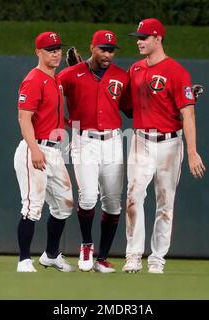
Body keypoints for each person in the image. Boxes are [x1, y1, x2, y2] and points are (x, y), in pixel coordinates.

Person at [121, 18, 206, 274]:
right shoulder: (134, 69)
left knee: (165, 202)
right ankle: (134, 255)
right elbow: (124, 105)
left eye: (144, 37)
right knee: (134, 197)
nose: (139, 42)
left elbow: (188, 115)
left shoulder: (177, 72)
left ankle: (157, 258)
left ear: (158, 38)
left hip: (170, 142)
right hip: (141, 140)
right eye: (138, 37)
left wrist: (191, 152)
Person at [58, 30, 129, 273]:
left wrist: (179, 105)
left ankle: (103, 258)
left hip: (113, 141)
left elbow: (134, 108)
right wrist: (68, 125)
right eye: (103, 49)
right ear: (92, 47)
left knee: (113, 203)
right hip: (84, 140)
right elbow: (49, 99)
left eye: (111, 50)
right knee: (88, 197)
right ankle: (86, 245)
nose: (108, 53)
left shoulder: (121, 76)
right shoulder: (70, 74)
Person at [14, 31, 75, 272]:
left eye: (58, 48)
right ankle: (24, 260)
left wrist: (68, 122)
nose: (56, 52)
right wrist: (34, 150)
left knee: (65, 205)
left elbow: (52, 114)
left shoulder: (56, 80)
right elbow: (23, 117)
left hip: (54, 151)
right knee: (32, 206)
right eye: (50, 49)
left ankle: (50, 254)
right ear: (38, 52)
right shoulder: (34, 79)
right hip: (35, 148)